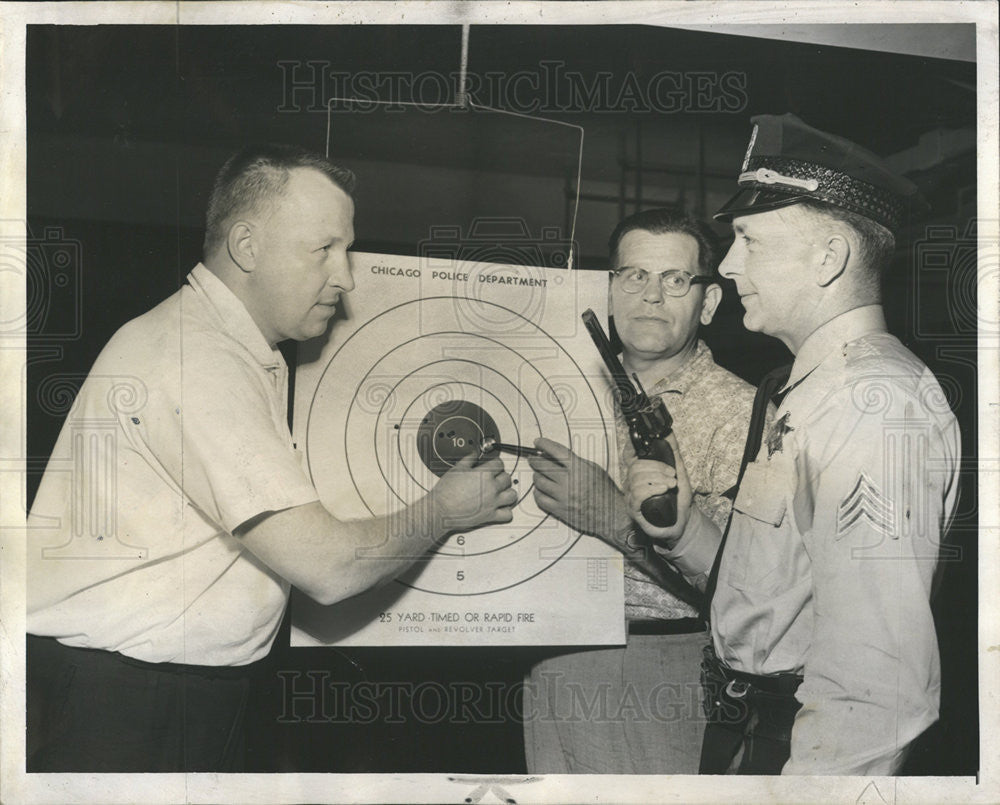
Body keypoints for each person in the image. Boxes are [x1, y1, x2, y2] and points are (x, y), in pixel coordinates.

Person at [25, 144, 517, 772]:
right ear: (247, 247)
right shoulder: (197, 356)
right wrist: (445, 509)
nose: (345, 277)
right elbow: (328, 567)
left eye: (348, 251)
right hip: (127, 700)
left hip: (165, 692)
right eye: (324, 249)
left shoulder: (236, 346)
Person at [623, 114, 961, 775]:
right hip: (751, 733)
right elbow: (784, 590)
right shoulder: (812, 389)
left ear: (828, 257)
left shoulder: (874, 402)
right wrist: (687, 529)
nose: (727, 263)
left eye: (749, 239)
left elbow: (875, 689)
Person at [522, 208, 762, 773]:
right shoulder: (548, 389)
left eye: (675, 279)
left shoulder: (745, 416)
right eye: (633, 275)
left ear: (708, 304)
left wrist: (612, 516)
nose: (650, 296)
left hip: (668, 663)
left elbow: (746, 590)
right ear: (608, 290)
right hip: (551, 652)